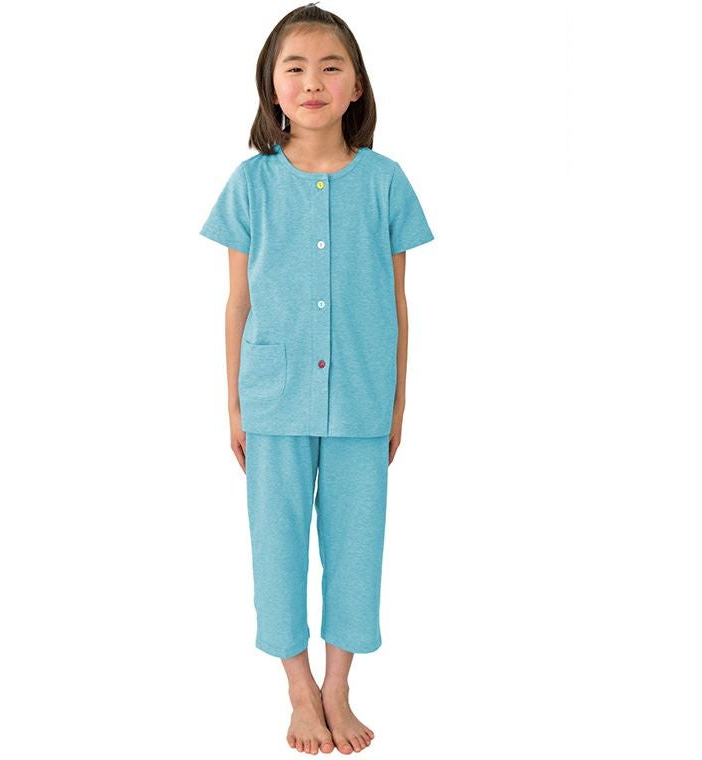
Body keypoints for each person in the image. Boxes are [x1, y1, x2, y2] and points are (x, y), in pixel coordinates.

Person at [199, 3, 434, 754]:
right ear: (271, 88)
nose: (312, 82)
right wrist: (233, 404)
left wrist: (398, 401)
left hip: (362, 397)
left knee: (357, 545)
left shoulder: (387, 183)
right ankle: (298, 687)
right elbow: (237, 301)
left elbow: (397, 301)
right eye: (294, 68)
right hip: (273, 397)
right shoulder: (251, 184)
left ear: (356, 86)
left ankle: (339, 684)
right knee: (277, 544)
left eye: (331, 67)